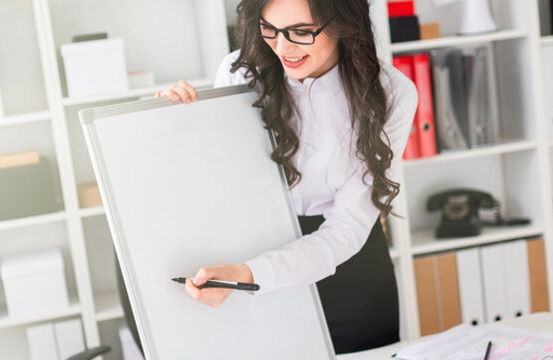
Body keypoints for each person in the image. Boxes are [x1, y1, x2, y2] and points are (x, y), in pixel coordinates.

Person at [119, 0, 418, 354]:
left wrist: (249, 275)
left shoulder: (392, 93)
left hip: (347, 264)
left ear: (343, 21)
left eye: (301, 33)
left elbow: (346, 229)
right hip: (257, 251)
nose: (283, 48)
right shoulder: (241, 72)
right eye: (269, 30)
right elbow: (214, 179)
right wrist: (171, 124)